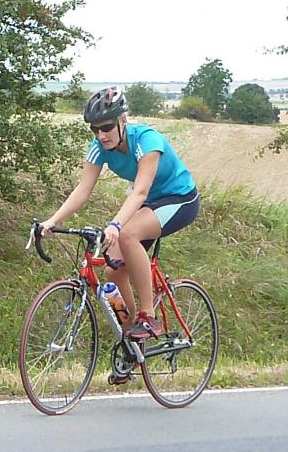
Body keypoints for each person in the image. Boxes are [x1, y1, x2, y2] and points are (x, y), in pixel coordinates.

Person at [40, 86, 200, 345]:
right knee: (113, 272)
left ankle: (148, 316)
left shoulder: (147, 141)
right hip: (148, 203)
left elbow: (140, 191)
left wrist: (115, 225)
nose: (101, 135)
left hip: (179, 198)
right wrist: (53, 220)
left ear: (122, 121)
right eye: (94, 129)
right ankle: (131, 341)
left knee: (128, 235)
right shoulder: (98, 147)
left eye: (106, 127)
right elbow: (83, 189)